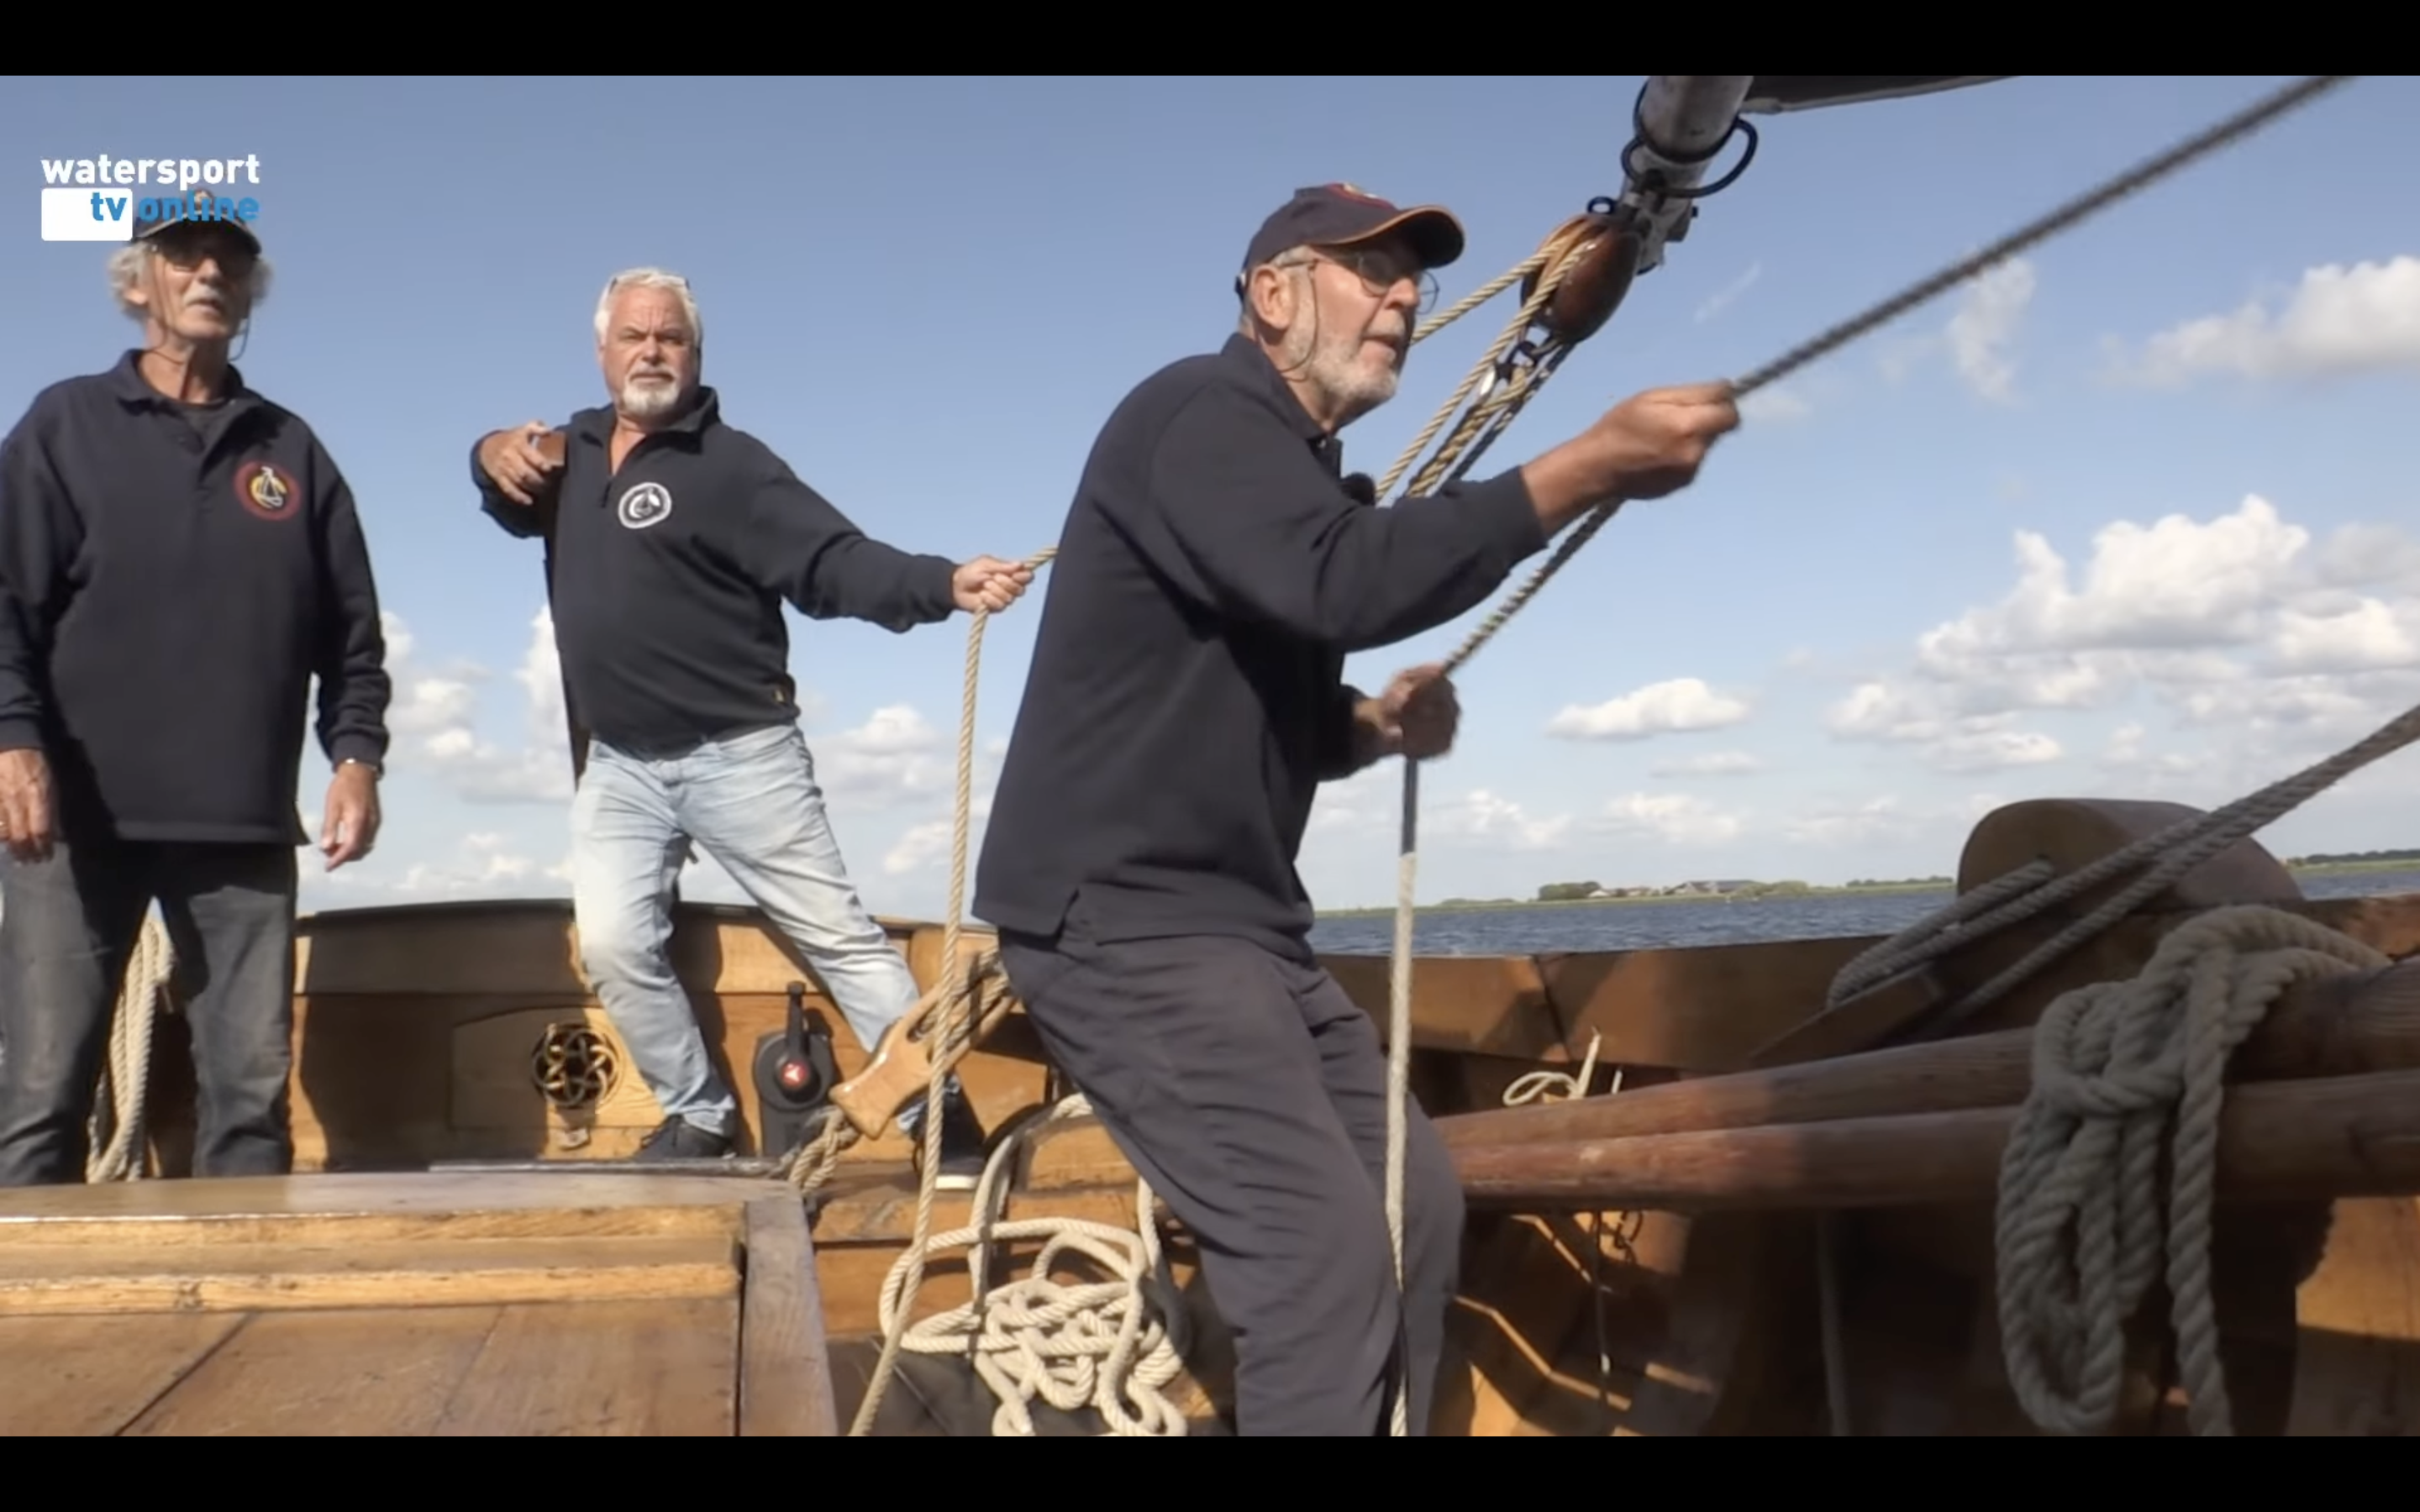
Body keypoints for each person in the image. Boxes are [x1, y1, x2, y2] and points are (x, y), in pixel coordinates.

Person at [971, 183, 1741, 1433]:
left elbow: (1266, 703)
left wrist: (1373, 728)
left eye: (1414, 277)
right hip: (1120, 921)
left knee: (1413, 1210)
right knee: (1319, 1262)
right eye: (1368, 270)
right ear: (1272, 295)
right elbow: (1340, 584)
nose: (1404, 295)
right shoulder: (1199, 414)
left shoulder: (1291, 477)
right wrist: (1583, 466)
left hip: (1238, 930)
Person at [471, 266, 1031, 1186]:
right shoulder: (564, 453)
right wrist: (488, 446)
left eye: (671, 338)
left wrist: (941, 583)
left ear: (695, 354)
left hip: (741, 752)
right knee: (611, 944)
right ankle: (699, 1115)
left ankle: (939, 1116)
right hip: (618, 765)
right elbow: (498, 485)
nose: (652, 351)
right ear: (603, 350)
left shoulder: (731, 466)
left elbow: (833, 561)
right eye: (634, 336)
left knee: (838, 938)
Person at [0, 194, 392, 1186]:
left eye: (228, 260)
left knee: (251, 1103)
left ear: (250, 291)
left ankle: (239, 1322)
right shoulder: (64, 425)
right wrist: (13, 739)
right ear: (139, 285)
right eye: (184, 257)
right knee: (40, 1096)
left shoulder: (290, 450)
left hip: (242, 830)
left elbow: (352, 634)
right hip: (72, 823)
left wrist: (355, 758)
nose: (209, 274)